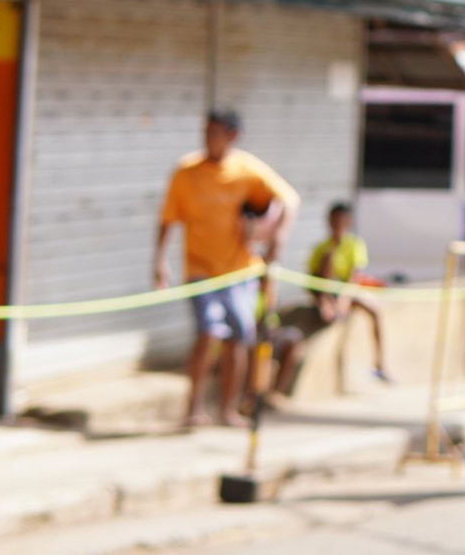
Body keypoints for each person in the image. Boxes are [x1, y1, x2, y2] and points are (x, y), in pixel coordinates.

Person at [154, 109, 298, 428]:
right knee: (208, 333)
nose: (208, 139)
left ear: (232, 136)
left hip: (239, 272)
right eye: (206, 132)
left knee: (239, 338)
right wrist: (160, 261)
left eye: (215, 132)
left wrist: (278, 238)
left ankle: (228, 409)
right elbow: (166, 219)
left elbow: (288, 199)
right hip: (200, 269)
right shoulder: (186, 172)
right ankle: (192, 408)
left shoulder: (246, 169)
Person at [271, 201, 390, 396]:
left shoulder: (354, 244)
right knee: (327, 258)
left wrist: (342, 302)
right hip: (325, 293)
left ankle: (380, 363)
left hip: (346, 293)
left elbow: (353, 278)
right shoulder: (321, 248)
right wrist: (325, 302)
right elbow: (314, 281)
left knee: (374, 311)